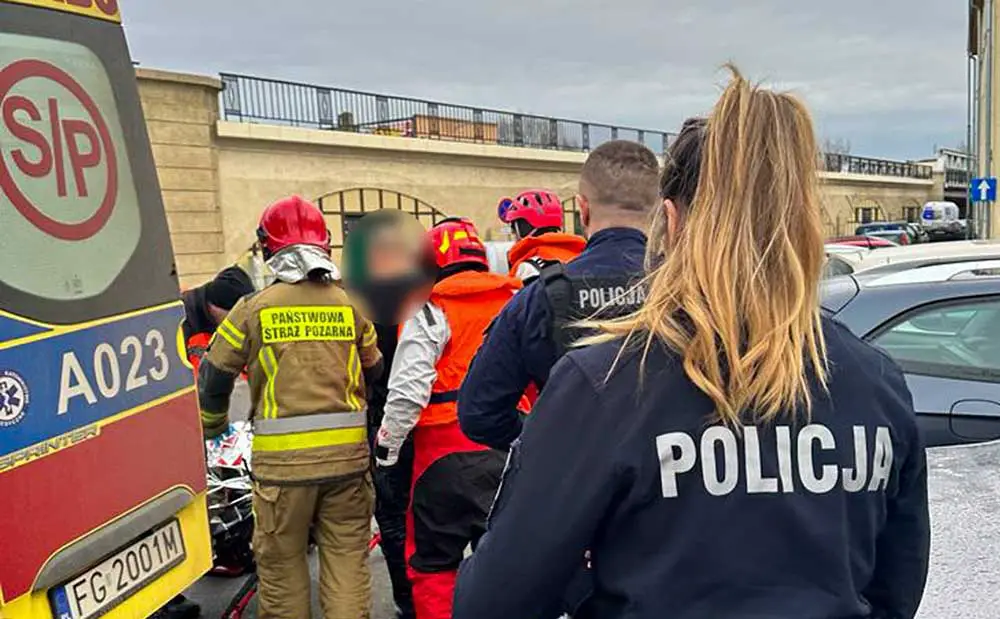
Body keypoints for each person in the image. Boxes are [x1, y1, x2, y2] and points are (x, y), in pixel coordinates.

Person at [453, 68, 930, 619]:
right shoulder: (874, 381)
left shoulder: (604, 385)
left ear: (671, 221)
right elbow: (895, 589)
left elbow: (493, 601)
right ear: (804, 220)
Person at [197, 195, 384, 619]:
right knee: (346, 561)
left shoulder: (253, 309)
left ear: (268, 247)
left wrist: (213, 427)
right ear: (325, 245)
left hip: (282, 474)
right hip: (348, 466)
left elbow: (214, 376)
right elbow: (375, 369)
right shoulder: (349, 305)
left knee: (282, 570)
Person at [458, 140, 660, 452]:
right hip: (676, 472)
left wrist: (548, 439)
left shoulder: (538, 297)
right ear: (660, 209)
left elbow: (479, 414)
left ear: (583, 209)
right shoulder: (690, 289)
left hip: (579, 472)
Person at [373, 217, 523, 619]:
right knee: (510, 564)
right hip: (511, 450)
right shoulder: (517, 300)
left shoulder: (428, 309)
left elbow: (407, 391)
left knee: (433, 566)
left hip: (441, 459)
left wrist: (387, 454)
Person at [498, 189, 586, 283]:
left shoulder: (526, 269)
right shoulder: (583, 256)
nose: (513, 233)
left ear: (522, 228)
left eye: (514, 228)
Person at [181, 265, 255, 374]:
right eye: (235, 317)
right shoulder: (181, 320)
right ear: (215, 307)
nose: (240, 324)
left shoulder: (215, 320)